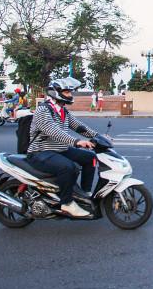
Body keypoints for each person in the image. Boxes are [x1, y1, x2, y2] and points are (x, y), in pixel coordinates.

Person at [27, 77, 103, 218]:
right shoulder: (43, 110)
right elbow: (54, 131)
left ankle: (84, 194)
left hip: (59, 149)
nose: (70, 95)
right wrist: (76, 142)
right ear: (56, 93)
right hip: (40, 152)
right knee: (67, 167)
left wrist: (98, 137)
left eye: (70, 92)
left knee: (90, 158)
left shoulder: (62, 111)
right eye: (67, 92)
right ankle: (67, 204)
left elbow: (79, 126)